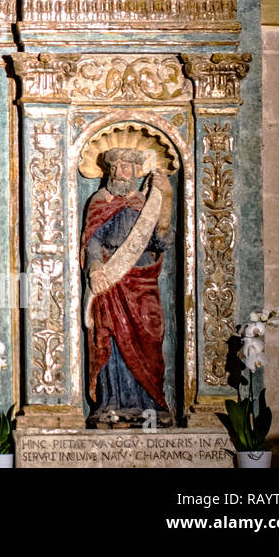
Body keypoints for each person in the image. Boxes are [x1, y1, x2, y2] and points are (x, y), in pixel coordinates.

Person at [82, 147, 173, 423]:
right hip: (112, 281)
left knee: (149, 333)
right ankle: (113, 403)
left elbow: (161, 242)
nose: (123, 172)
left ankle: (152, 404)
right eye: (118, 167)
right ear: (110, 171)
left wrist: (165, 198)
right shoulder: (100, 201)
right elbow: (92, 240)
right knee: (111, 334)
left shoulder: (145, 205)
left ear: (137, 172)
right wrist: (97, 268)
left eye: (129, 167)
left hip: (143, 279)